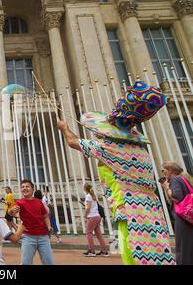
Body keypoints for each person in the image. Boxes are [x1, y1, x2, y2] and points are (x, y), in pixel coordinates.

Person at [58, 80, 175, 265]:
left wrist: (64, 127)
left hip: (129, 210)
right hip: (152, 210)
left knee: (133, 255)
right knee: (158, 254)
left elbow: (73, 142)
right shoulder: (141, 150)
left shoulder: (109, 148)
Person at [8, 180, 55, 265]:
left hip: (43, 237)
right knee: (26, 263)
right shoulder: (19, 202)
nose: (24, 188)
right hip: (28, 237)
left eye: (27, 186)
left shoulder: (39, 202)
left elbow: (45, 216)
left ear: (32, 190)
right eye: (22, 187)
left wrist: (49, 227)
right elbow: (11, 213)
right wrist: (11, 211)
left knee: (49, 262)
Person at [160, 161, 193, 265]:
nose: (162, 172)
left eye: (163, 170)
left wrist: (167, 187)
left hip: (182, 218)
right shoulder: (184, 179)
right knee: (189, 247)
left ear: (170, 170)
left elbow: (176, 197)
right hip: (189, 217)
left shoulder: (175, 179)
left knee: (182, 248)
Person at [82, 183, 109, 257]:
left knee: (88, 233)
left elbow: (88, 208)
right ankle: (104, 251)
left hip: (92, 216)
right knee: (99, 234)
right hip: (97, 216)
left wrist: (85, 215)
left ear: (85, 188)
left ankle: (92, 251)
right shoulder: (93, 196)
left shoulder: (88, 196)